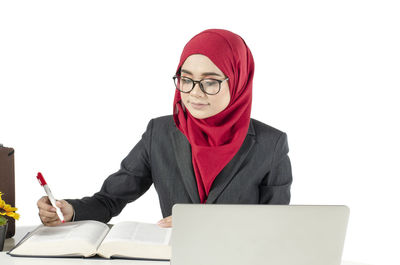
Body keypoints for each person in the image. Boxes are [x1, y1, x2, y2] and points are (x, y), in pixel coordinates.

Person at [37, 28, 293, 228]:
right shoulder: (158, 133)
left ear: (238, 80)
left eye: (210, 82)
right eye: (186, 79)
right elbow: (110, 199)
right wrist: (70, 211)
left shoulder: (270, 145)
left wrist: (206, 224)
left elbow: (276, 226)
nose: (194, 93)